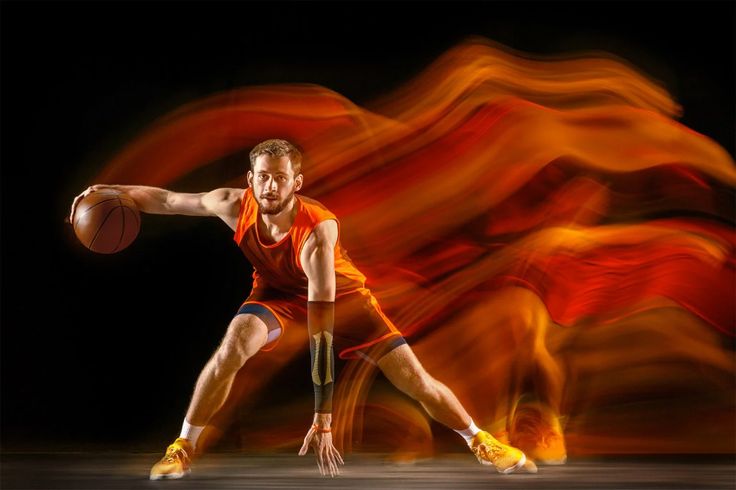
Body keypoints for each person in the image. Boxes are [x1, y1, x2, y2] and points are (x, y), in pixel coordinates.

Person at [69, 139, 536, 479]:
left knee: (416, 382)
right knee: (231, 348)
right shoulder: (233, 205)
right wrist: (110, 191)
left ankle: (480, 440)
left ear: (297, 181)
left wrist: (324, 417)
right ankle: (182, 447)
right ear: (250, 180)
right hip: (275, 294)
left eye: (280, 177)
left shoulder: (317, 233)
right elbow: (167, 200)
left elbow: (322, 333)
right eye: (262, 176)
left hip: (342, 303)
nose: (270, 185)